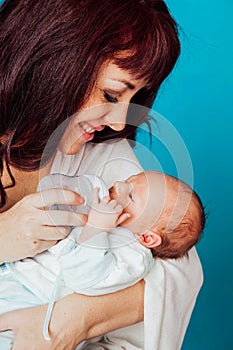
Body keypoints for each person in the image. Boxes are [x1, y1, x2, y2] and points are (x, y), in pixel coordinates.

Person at [0, 1, 203, 349]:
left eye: (134, 97)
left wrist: (74, 320)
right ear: (53, 60)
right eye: (111, 94)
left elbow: (180, 267)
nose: (120, 122)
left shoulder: (101, 151)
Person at [0, 170, 204, 348]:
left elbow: (84, 278)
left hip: (31, 299)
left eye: (131, 195)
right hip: (17, 277)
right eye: (129, 180)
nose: (118, 185)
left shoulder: (133, 258)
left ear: (147, 237)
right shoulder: (112, 226)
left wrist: (96, 228)